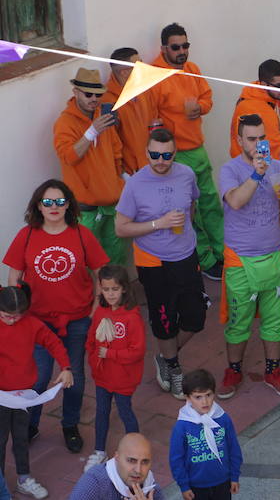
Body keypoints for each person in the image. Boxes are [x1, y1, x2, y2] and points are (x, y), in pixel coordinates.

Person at [3, 179, 108, 453]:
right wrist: (16, 313)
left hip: (76, 319)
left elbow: (101, 272)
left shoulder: (82, 234)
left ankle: (69, 425)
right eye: (47, 202)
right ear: (38, 205)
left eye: (60, 201)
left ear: (68, 205)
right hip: (36, 321)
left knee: (73, 375)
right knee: (36, 377)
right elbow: (14, 275)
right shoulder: (26, 235)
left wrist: (97, 308)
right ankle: (31, 423)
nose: (54, 207)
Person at [115, 128, 206, 400]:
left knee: (195, 316)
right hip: (152, 260)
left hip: (186, 254)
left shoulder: (186, 174)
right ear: (146, 153)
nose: (160, 160)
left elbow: (192, 205)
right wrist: (159, 224)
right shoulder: (135, 184)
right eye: (154, 154)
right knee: (164, 319)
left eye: (166, 155)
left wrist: (185, 229)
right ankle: (174, 368)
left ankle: (165, 358)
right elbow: (121, 228)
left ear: (175, 154)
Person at [217, 114, 280, 400]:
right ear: (239, 140)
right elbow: (236, 201)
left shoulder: (279, 167)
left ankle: (273, 370)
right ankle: (233, 370)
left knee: (275, 319)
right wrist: (256, 173)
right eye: (251, 139)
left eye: (261, 138)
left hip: (277, 255)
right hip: (240, 259)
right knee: (239, 320)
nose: (257, 144)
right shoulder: (229, 170)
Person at [148, 23, 224, 280]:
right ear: (163, 49)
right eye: (176, 47)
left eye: (185, 46)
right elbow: (152, 121)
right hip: (176, 155)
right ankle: (204, 259)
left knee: (210, 203)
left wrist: (199, 108)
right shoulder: (154, 77)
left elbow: (207, 97)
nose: (182, 52)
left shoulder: (192, 69)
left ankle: (224, 252)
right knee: (188, 210)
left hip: (197, 148)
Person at [0, 286, 73, 500]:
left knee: (22, 439)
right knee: (0, 440)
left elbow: (53, 343)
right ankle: (1, 484)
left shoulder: (31, 324)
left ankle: (24, 478)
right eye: (6, 316)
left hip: (24, 396)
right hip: (1, 396)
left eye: (16, 317)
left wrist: (66, 367)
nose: (12, 321)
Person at [52, 66, 125, 265]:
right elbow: (68, 156)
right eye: (88, 94)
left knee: (115, 257)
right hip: (86, 209)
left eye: (98, 94)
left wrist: (121, 179)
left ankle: (115, 295)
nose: (94, 98)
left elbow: (117, 151)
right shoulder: (65, 123)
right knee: (85, 260)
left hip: (112, 202)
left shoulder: (103, 114)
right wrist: (91, 133)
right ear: (75, 92)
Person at [83, 264, 145, 473]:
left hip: (124, 379)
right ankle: (99, 451)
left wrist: (110, 354)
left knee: (125, 412)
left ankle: (136, 453)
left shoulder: (132, 317)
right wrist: (94, 362)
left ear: (124, 289)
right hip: (103, 376)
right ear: (100, 288)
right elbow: (91, 340)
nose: (110, 294)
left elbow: (137, 351)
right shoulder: (100, 311)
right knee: (101, 412)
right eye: (106, 289)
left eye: (115, 289)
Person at [170, 369, 242, 500]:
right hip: (196, 486)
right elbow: (176, 459)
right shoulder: (182, 426)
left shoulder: (223, 418)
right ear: (188, 398)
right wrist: (184, 486)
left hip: (223, 481)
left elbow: (233, 448)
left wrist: (234, 476)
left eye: (208, 395)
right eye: (198, 397)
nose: (205, 402)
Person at [101, 47, 156, 175]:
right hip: (131, 171)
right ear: (125, 72)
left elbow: (155, 117)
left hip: (154, 163)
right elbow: (111, 141)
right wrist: (121, 173)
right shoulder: (108, 102)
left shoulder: (143, 89)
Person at [70, 433, 163, 500]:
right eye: (131, 461)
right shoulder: (93, 485)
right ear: (116, 458)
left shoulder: (152, 489)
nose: (138, 470)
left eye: (145, 462)